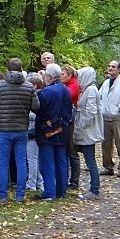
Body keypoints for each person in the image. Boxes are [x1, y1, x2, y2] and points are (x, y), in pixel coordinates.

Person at [0, 57, 40, 203]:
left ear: (8, 69)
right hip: (22, 128)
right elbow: (36, 107)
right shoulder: (29, 86)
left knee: (3, 162)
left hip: (3, 129)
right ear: (21, 68)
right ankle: (20, 195)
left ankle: (3, 195)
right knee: (21, 162)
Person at [36, 63, 73, 199]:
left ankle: (49, 192)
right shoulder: (66, 90)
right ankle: (61, 190)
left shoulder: (47, 92)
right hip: (63, 128)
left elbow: (39, 109)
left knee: (48, 162)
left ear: (49, 76)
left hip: (48, 130)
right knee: (61, 160)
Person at [73, 66, 103, 199]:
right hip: (85, 130)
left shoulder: (90, 90)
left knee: (90, 160)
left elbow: (90, 111)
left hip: (87, 131)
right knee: (89, 159)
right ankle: (93, 188)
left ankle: (94, 189)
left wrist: (81, 125)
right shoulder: (87, 89)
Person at [99, 61, 120, 177]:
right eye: (109, 66)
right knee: (106, 144)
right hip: (105, 117)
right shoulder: (105, 83)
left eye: (113, 67)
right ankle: (108, 166)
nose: (110, 68)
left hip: (118, 117)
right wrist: (101, 108)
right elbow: (99, 97)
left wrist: (118, 108)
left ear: (119, 69)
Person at [61, 64, 81, 190]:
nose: (60, 76)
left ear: (70, 75)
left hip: (71, 122)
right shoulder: (66, 85)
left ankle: (74, 180)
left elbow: (66, 97)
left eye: (63, 74)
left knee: (72, 150)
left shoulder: (73, 85)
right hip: (66, 120)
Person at [25, 73, 45, 194]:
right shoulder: (41, 95)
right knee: (35, 158)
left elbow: (34, 114)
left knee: (32, 159)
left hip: (32, 131)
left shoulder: (36, 97)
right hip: (37, 131)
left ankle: (32, 183)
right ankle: (39, 182)